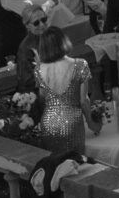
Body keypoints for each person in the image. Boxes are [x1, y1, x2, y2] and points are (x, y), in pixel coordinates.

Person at [32, 26, 94, 160]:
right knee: (75, 164)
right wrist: (91, 123)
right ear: (64, 42)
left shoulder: (38, 69)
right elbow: (84, 101)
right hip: (72, 122)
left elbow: (42, 96)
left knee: (55, 165)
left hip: (49, 123)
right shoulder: (80, 65)